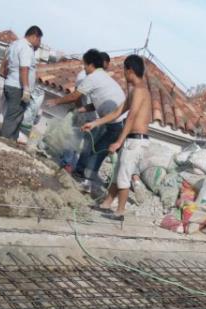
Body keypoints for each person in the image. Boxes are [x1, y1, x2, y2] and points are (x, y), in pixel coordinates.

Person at [82, 54, 151, 219]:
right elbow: (117, 112)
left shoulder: (140, 91)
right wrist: (95, 123)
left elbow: (132, 117)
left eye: (125, 71)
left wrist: (118, 141)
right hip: (131, 139)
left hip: (136, 140)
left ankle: (120, 212)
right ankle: (106, 204)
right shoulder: (135, 91)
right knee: (117, 174)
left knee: (123, 177)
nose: (124, 75)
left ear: (130, 70)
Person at [46, 49, 126, 188]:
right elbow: (97, 104)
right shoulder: (103, 77)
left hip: (117, 123)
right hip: (114, 120)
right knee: (98, 150)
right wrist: (80, 110)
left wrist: (56, 102)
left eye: (85, 65)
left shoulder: (93, 77)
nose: (84, 68)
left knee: (98, 151)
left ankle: (89, 183)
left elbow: (74, 96)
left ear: (91, 65)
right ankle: (86, 177)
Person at [0, 26, 43, 140]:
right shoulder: (26, 48)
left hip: (10, 83)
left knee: (16, 116)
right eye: (39, 41)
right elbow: (24, 69)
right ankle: (4, 141)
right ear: (34, 36)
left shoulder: (14, 44)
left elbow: (6, 63)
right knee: (13, 117)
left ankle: (11, 140)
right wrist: (26, 88)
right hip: (17, 87)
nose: (38, 44)